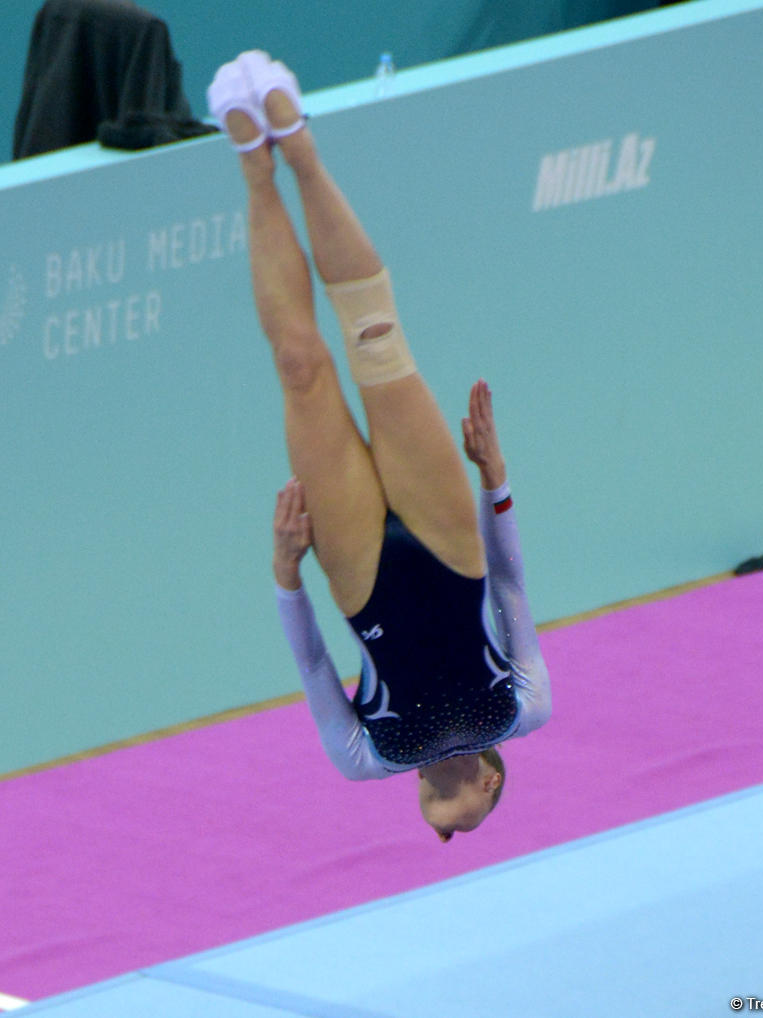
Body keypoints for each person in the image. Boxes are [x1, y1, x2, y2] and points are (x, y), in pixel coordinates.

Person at [207, 51, 551, 842]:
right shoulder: (524, 708)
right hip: (449, 544)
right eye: (466, 824)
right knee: (375, 339)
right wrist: (495, 484)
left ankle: (256, 174)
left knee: (301, 368)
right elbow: (512, 585)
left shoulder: (368, 758)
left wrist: (286, 575)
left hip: (359, 577)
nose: (445, 830)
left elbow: (315, 669)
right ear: (493, 780)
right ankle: (300, 152)